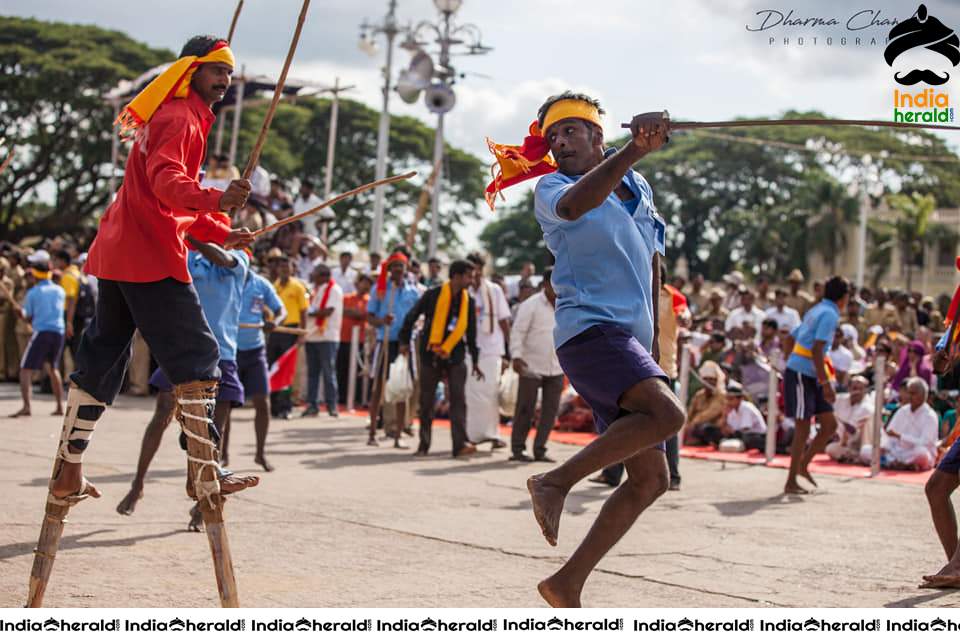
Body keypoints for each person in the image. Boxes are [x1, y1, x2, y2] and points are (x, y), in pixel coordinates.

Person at [28, 36, 260, 609]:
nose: (226, 80)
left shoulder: (176, 113)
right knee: (200, 360)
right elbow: (166, 186)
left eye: (230, 74)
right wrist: (216, 200)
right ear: (192, 70)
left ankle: (67, 472)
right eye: (217, 72)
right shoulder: (181, 115)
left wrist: (216, 229)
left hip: (120, 253)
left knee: (98, 365)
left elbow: (165, 203)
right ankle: (204, 472)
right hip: (149, 259)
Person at [486, 92, 684, 606]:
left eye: (571, 132)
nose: (559, 144)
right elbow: (578, 205)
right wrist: (634, 150)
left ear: (598, 137)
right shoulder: (554, 187)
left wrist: (658, 349)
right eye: (553, 137)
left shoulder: (637, 187)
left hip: (630, 341)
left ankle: (565, 583)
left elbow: (653, 262)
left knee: (651, 479)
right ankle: (554, 482)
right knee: (667, 415)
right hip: (591, 331)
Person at [116, 240, 249, 526]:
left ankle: (205, 502)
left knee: (213, 432)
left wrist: (195, 234)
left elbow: (223, 258)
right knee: (162, 414)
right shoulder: (188, 257)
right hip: (182, 348)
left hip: (221, 354)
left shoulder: (238, 258)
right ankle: (137, 485)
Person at [399, 259, 481, 457]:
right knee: (426, 401)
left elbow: (471, 333)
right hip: (431, 354)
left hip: (456, 355)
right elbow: (412, 316)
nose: (471, 281)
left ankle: (459, 445)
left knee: (458, 400)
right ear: (457, 276)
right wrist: (403, 342)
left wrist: (476, 361)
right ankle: (423, 445)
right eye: (468, 276)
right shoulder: (433, 294)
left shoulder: (468, 301)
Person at [782, 275, 850, 494]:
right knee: (803, 427)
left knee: (829, 425)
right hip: (806, 374)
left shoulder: (816, 309)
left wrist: (788, 362)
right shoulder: (829, 314)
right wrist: (826, 382)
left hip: (808, 372)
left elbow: (790, 338)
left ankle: (803, 466)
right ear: (844, 298)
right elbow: (817, 349)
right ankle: (791, 480)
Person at [510, 268, 564, 462]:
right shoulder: (531, 305)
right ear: (546, 284)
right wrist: (516, 356)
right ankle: (518, 448)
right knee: (525, 408)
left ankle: (540, 449)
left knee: (551, 410)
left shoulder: (566, 305)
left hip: (557, 366)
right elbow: (518, 332)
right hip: (530, 365)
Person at [366, 252, 421, 445]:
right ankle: (372, 433)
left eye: (401, 266)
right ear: (389, 269)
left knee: (402, 388)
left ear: (405, 269)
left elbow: (417, 318)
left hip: (404, 344)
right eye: (394, 266)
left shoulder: (413, 292)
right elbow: (370, 317)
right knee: (378, 388)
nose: (398, 269)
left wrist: (412, 329)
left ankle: (398, 435)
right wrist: (382, 321)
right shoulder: (379, 290)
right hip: (385, 341)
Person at [235, 267, 286, 471]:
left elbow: (281, 310)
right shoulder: (227, 279)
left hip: (255, 350)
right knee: (224, 404)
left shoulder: (261, 284)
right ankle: (222, 454)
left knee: (263, 403)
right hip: (229, 349)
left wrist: (273, 321)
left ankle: (260, 454)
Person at [465, 252, 512, 449]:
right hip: (469, 350)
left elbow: (503, 321)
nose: (475, 272)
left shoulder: (494, 291)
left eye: (478, 268)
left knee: (491, 393)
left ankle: (492, 434)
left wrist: (510, 351)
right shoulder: (464, 292)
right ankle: (471, 436)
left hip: (492, 349)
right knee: (470, 394)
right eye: (472, 268)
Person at [10, 252, 65, 417]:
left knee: (25, 369)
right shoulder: (59, 290)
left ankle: (27, 407)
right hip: (58, 332)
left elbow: (28, 317)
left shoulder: (33, 293)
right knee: (53, 368)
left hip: (42, 332)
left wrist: (20, 313)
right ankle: (59, 406)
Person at [862, 377, 937, 470]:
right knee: (865, 450)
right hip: (895, 452)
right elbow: (889, 434)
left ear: (923, 395)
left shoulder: (930, 416)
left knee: (921, 453)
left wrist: (901, 436)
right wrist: (885, 447)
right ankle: (899, 464)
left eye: (913, 393)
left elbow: (925, 443)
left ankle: (899, 464)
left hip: (913, 453)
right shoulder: (902, 411)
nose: (909, 396)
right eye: (908, 393)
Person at [269, 255, 308, 419]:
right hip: (275, 330)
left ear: (292, 269)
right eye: (281, 267)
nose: (284, 270)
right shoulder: (274, 286)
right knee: (273, 367)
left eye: (287, 267)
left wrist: (302, 333)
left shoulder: (298, 287)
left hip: (291, 331)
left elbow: (304, 311)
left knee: (287, 370)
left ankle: (286, 407)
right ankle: (274, 407)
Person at [304, 263, 343, 418]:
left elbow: (328, 311)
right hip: (312, 336)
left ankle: (332, 406)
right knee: (312, 374)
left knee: (329, 373)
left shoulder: (334, 290)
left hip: (327, 337)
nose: (313, 276)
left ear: (324, 276)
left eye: (316, 274)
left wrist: (310, 312)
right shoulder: (315, 289)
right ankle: (312, 405)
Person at [337, 274, 372, 406]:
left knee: (358, 371)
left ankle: (357, 398)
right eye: (363, 282)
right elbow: (341, 311)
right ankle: (341, 397)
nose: (365, 286)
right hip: (343, 338)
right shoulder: (346, 298)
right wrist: (355, 313)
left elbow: (364, 314)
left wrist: (354, 313)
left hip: (360, 341)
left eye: (368, 283)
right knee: (341, 369)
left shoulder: (369, 300)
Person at [700, 382, 765, 451]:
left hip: (754, 435)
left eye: (731, 399)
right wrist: (724, 416)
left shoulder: (746, 408)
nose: (728, 402)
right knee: (708, 428)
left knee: (746, 437)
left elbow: (745, 429)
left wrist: (731, 431)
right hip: (736, 435)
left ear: (740, 399)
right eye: (727, 399)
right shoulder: (731, 409)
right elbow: (723, 427)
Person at [825, 376, 873, 464]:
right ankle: (853, 457)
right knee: (830, 449)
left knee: (865, 452)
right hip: (843, 443)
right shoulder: (839, 399)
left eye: (860, 389)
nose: (857, 391)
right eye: (854, 388)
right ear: (849, 388)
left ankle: (854, 457)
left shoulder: (868, 407)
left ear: (865, 390)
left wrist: (845, 438)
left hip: (861, 443)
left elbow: (853, 429)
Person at [680, 361, 727, 445]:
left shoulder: (721, 395)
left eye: (711, 379)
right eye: (706, 379)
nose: (708, 382)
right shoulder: (699, 395)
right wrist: (686, 424)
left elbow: (710, 413)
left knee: (705, 429)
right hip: (694, 426)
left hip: (711, 426)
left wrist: (693, 423)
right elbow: (690, 412)